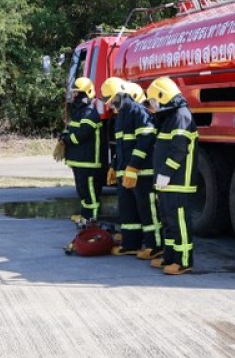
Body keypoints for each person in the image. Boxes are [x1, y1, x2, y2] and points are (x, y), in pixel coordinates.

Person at [100, 77, 161, 259]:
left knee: (147, 210)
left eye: (111, 100)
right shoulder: (120, 116)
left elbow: (146, 139)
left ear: (120, 95)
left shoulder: (137, 111)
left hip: (142, 173)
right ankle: (131, 244)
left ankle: (155, 246)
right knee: (128, 211)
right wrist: (114, 167)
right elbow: (121, 147)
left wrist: (133, 166)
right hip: (125, 173)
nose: (110, 105)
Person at [147, 77, 198, 275]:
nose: (152, 105)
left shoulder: (181, 116)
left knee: (180, 223)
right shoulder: (170, 117)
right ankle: (169, 256)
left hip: (179, 182)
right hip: (168, 182)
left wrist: (165, 173)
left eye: (153, 101)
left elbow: (179, 150)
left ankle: (183, 261)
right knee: (168, 222)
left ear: (163, 96)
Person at [59, 77, 105, 226]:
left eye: (77, 93)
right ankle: (85, 217)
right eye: (74, 93)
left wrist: (67, 140)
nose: (74, 96)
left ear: (86, 93)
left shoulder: (89, 112)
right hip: (79, 161)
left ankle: (92, 220)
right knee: (83, 192)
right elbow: (73, 130)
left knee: (90, 194)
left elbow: (82, 133)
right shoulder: (79, 112)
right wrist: (63, 136)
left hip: (89, 162)